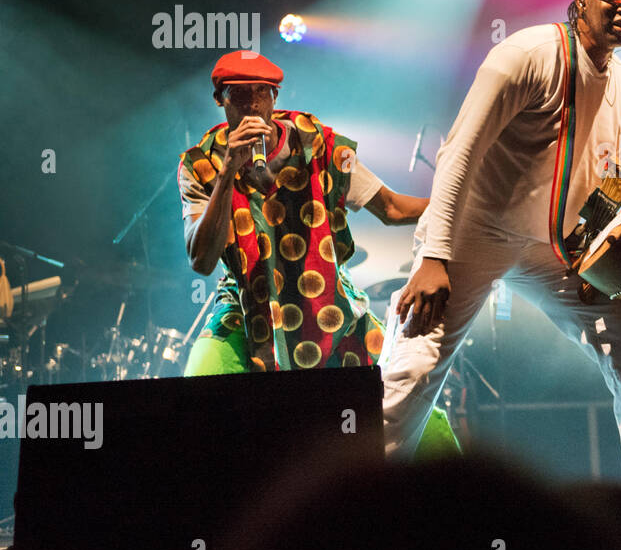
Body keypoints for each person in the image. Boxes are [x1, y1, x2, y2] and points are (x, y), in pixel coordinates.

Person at [382, 0, 621, 477]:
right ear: (580, 2)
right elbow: (459, 151)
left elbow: (606, 186)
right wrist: (434, 256)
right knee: (413, 370)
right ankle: (351, 505)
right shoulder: (527, 54)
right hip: (472, 234)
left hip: (553, 250)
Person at [178, 50, 432, 385]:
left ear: (274, 97)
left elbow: (393, 208)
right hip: (246, 304)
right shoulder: (201, 164)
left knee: (408, 394)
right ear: (219, 100)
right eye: (238, 94)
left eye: (261, 92)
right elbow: (202, 260)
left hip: (327, 301)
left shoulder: (320, 146)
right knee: (198, 387)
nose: (252, 105)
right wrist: (228, 172)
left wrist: (465, 202)